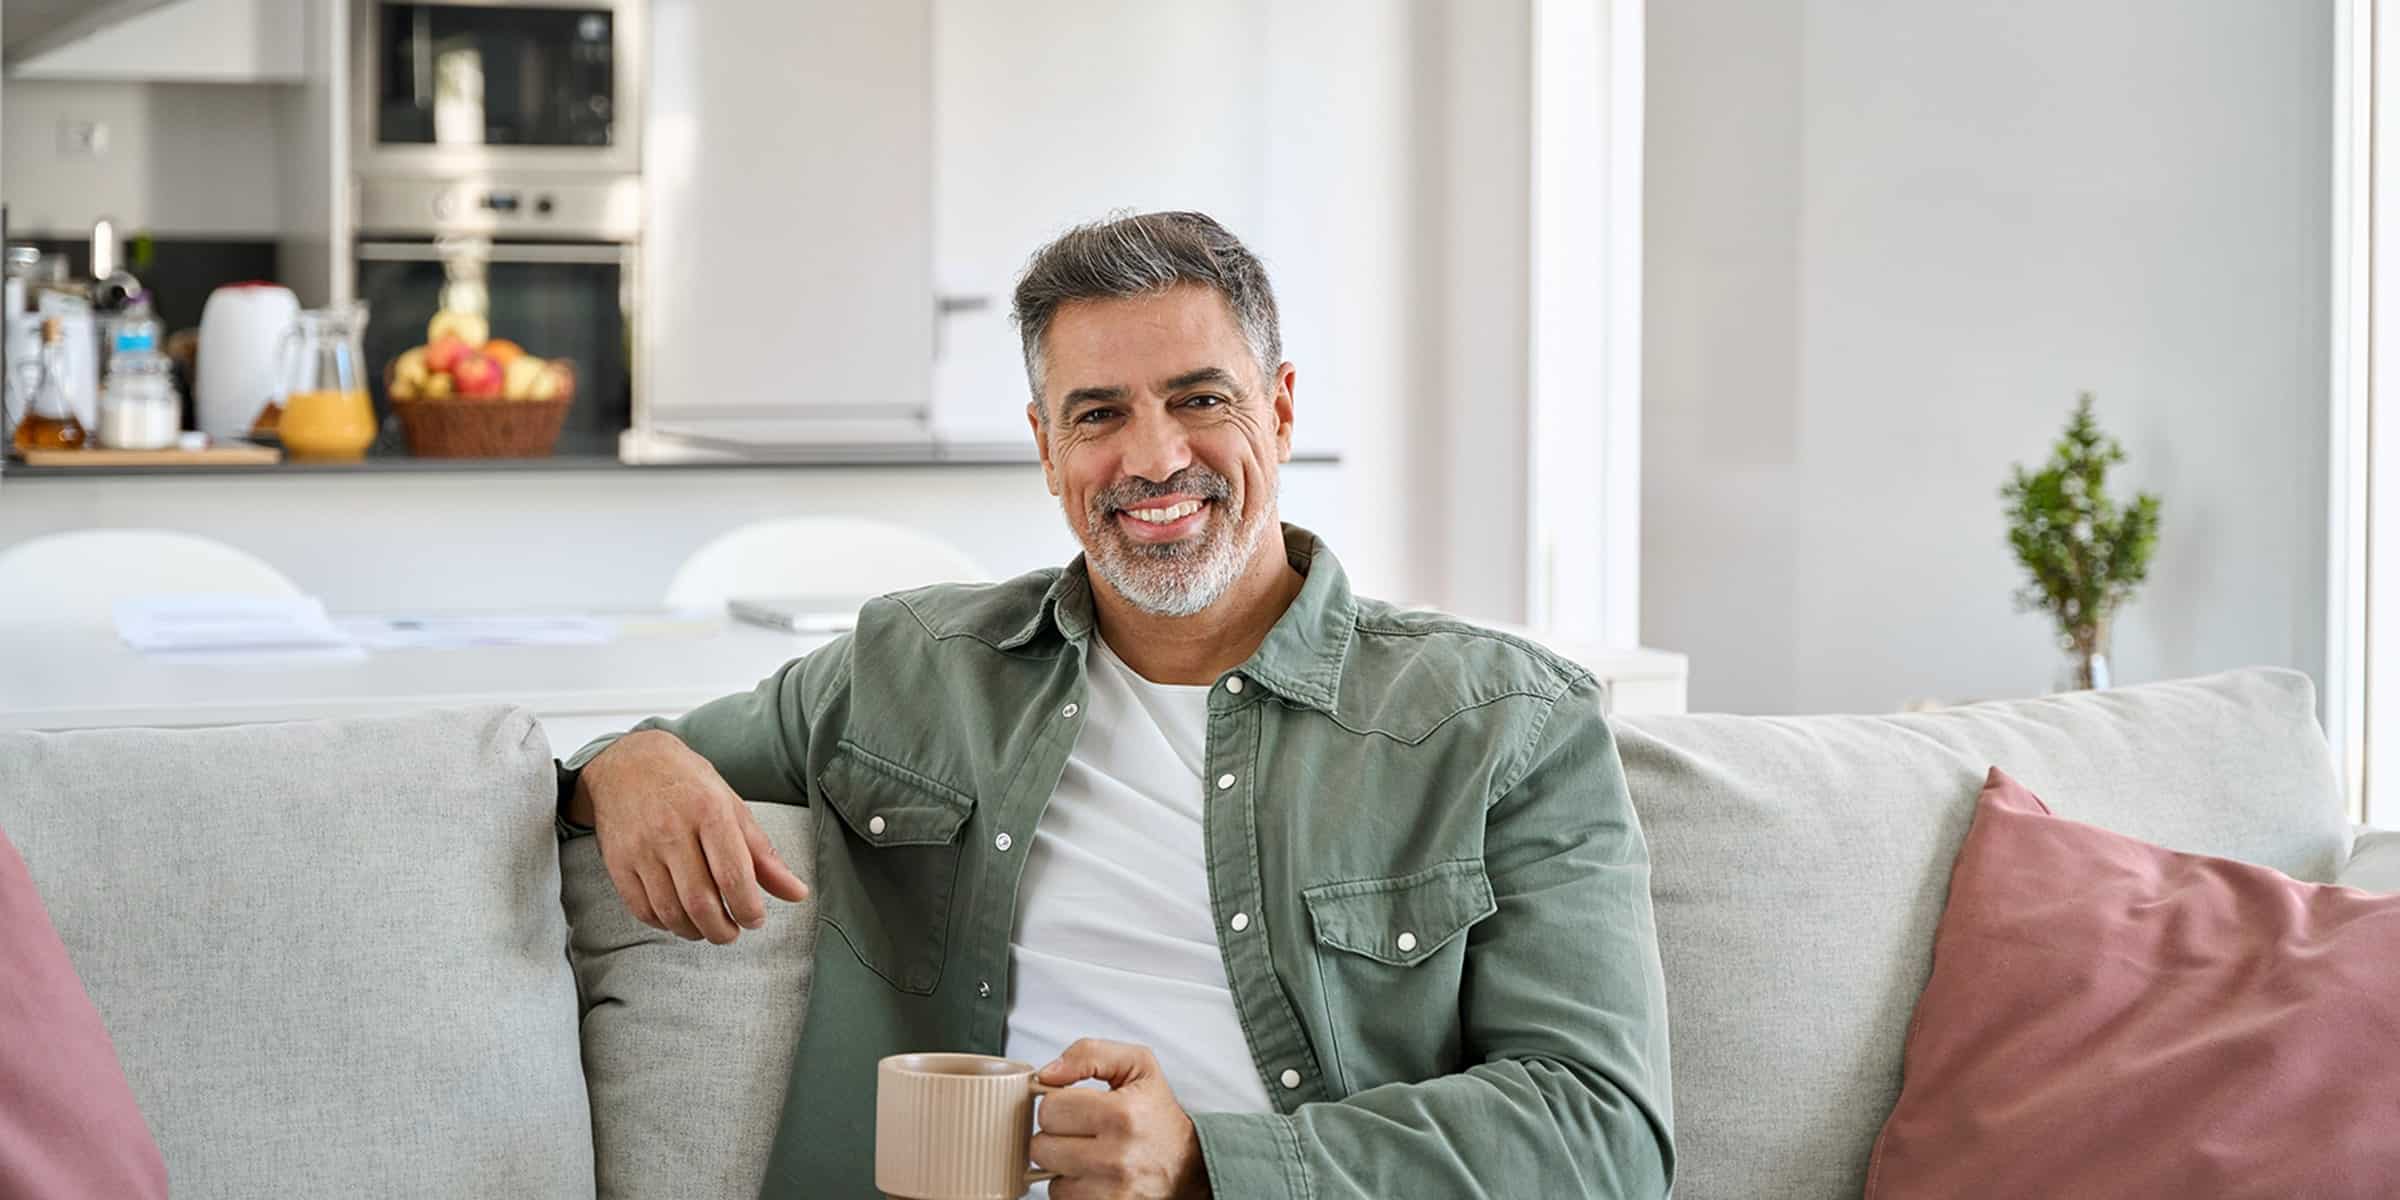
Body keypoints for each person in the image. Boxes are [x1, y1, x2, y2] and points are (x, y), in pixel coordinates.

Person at [558, 211, 1674, 1199]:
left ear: (1278, 412)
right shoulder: (910, 666)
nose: (1155, 458)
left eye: (1200, 400)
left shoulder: (1510, 724)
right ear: (1047, 449)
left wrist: (1208, 1167)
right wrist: (626, 762)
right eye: (1098, 414)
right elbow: (618, 764)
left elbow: (1603, 1133)